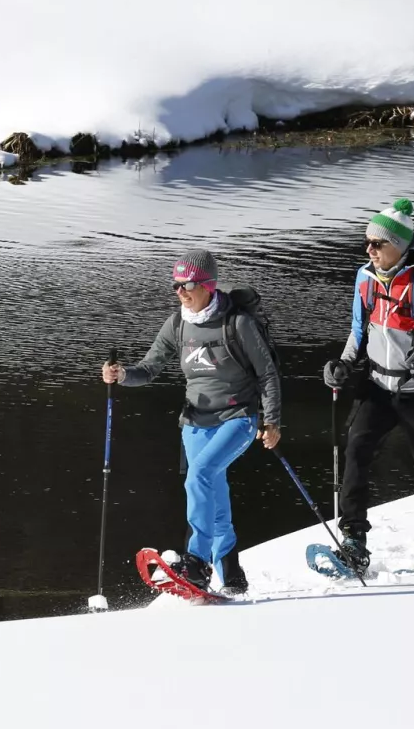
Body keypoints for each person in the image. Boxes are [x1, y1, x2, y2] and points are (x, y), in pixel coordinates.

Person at [101, 249, 281, 595]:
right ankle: (232, 574)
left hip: (237, 418)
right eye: (177, 285)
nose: (181, 292)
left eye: (189, 285)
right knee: (213, 491)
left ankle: (196, 561)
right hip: (195, 422)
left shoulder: (237, 323)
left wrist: (271, 421)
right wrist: (122, 374)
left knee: (200, 477)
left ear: (209, 285)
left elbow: (268, 375)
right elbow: (149, 368)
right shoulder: (178, 323)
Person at [322, 199, 414, 574]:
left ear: (399, 246)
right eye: (367, 242)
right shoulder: (365, 278)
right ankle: (354, 539)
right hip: (377, 386)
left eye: (377, 244)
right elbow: (357, 331)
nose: (369, 250)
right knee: (355, 452)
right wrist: (342, 364)